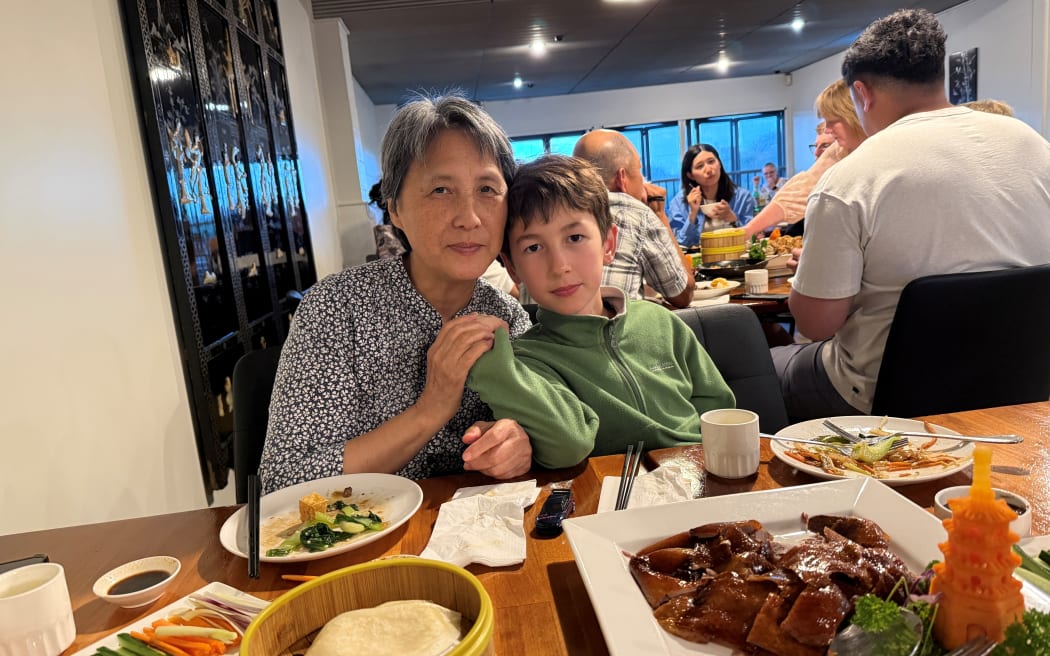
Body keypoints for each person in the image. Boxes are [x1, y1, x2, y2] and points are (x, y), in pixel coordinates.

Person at [772, 8, 1050, 421]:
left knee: (773, 365)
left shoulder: (852, 179)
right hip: (1023, 388)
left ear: (863, 94)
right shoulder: (1032, 144)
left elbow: (816, 323)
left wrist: (811, 273)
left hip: (885, 400)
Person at [258, 93, 534, 493]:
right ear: (396, 210)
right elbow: (284, 481)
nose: (470, 218)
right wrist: (431, 409)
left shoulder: (509, 318)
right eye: (441, 190)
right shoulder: (337, 309)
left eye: (488, 189)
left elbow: (542, 434)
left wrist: (520, 445)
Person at [466, 154, 734, 468]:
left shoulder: (661, 322)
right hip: (612, 502)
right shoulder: (528, 360)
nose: (560, 266)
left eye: (575, 238)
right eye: (533, 248)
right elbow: (566, 445)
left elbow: (717, 407)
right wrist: (492, 366)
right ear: (512, 267)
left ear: (608, 244)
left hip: (701, 478)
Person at [572, 130, 695, 308]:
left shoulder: (552, 210)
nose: (644, 181)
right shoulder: (635, 212)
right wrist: (660, 215)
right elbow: (683, 295)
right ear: (622, 178)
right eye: (639, 171)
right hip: (612, 333)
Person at [744, 80, 867, 238]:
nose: (828, 129)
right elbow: (802, 189)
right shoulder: (840, 149)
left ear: (854, 116)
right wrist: (747, 231)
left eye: (833, 121)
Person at [671, 144, 755, 246]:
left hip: (738, 257)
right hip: (699, 260)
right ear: (691, 175)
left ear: (719, 163)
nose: (709, 170)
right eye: (700, 166)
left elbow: (752, 238)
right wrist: (692, 215)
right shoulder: (678, 203)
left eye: (711, 161)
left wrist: (733, 219)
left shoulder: (742, 197)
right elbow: (680, 245)